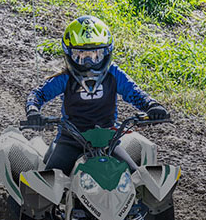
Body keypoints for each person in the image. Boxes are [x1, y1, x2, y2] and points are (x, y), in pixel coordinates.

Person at [25, 15, 169, 175]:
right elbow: (38, 94)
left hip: (107, 141)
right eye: (80, 55)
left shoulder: (114, 74)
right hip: (70, 141)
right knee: (48, 184)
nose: (88, 62)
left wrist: (152, 106)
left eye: (95, 55)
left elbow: (134, 92)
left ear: (106, 53)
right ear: (69, 54)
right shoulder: (65, 78)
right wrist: (33, 111)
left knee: (139, 179)